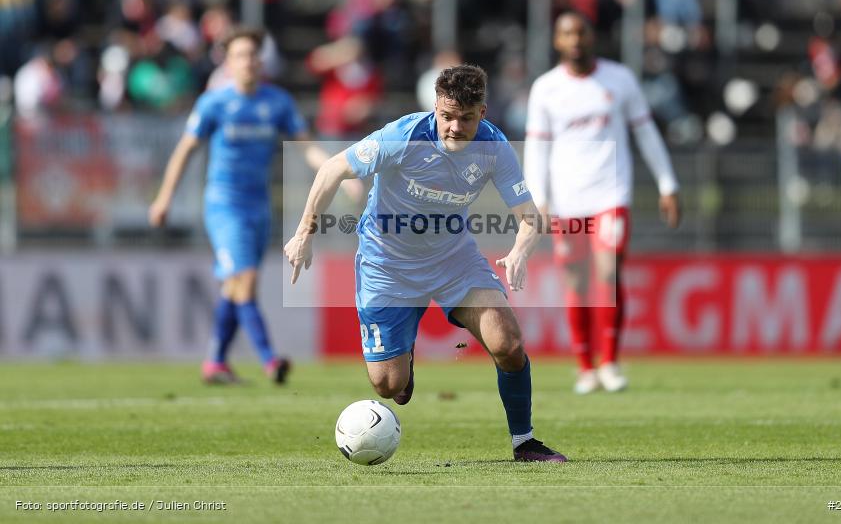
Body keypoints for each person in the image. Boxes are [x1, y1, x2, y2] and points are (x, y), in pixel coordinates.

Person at [283, 65, 567, 462]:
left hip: (454, 260)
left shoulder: (494, 146)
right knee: (387, 386)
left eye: (465, 118)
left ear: (482, 113)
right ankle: (405, 356)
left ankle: (525, 442)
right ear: (435, 107)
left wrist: (520, 251)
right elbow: (332, 169)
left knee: (509, 344)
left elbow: (529, 216)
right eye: (446, 116)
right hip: (387, 265)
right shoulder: (403, 137)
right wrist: (304, 233)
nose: (454, 127)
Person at [149, 26, 351, 385]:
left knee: (234, 287)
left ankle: (215, 363)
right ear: (228, 63)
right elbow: (185, 149)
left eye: (254, 55)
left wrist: (341, 172)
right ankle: (271, 361)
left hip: (259, 209)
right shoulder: (214, 103)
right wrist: (164, 198)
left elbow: (306, 147)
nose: (249, 61)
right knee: (245, 281)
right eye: (241, 55)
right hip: (224, 206)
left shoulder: (277, 102)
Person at [524, 11, 681, 395]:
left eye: (580, 31)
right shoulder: (546, 88)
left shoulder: (619, 79)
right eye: (566, 33)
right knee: (576, 279)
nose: (575, 39)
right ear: (557, 41)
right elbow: (536, 149)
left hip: (611, 193)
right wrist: (539, 199)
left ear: (591, 36)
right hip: (566, 199)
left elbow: (645, 132)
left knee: (609, 272)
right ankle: (584, 367)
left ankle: (609, 361)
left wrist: (668, 183)